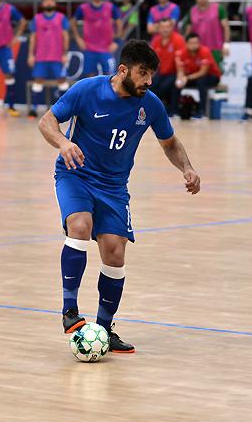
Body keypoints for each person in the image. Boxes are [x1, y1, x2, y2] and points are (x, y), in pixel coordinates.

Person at [37, 40, 201, 352]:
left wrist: (187, 168)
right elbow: (47, 121)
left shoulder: (150, 104)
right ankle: (69, 310)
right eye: (143, 73)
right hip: (76, 175)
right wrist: (63, 143)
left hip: (114, 187)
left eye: (151, 74)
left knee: (114, 252)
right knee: (80, 225)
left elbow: (169, 142)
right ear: (123, 70)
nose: (148, 81)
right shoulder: (88, 90)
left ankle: (103, 329)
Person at [27, 0, 70, 118]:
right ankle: (34, 109)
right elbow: (33, 37)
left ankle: (64, 110)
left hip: (57, 57)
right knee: (38, 80)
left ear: (55, 3)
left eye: (51, 0)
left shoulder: (61, 17)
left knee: (61, 80)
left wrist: (65, 53)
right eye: (46, 0)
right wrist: (31, 54)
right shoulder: (37, 18)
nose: (49, 2)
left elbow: (65, 36)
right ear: (43, 3)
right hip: (41, 57)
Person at [71, 0, 123, 77]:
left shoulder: (110, 7)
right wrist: (78, 38)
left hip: (107, 48)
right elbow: (73, 22)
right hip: (89, 47)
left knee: (110, 76)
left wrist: (116, 41)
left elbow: (119, 22)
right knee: (90, 77)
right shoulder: (83, 8)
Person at [175, 33, 222, 120]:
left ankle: (202, 112)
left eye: (196, 43)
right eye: (191, 43)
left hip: (211, 76)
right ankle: (174, 111)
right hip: (192, 77)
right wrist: (180, 79)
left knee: (201, 82)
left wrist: (186, 78)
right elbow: (180, 70)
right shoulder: (181, 53)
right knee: (174, 82)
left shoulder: (205, 51)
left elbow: (203, 72)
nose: (194, 45)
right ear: (186, 44)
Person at [184, 0, 230, 69]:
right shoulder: (192, 11)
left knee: (215, 73)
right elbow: (188, 30)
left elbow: (226, 27)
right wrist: (186, 45)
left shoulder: (219, 8)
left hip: (215, 48)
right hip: (197, 49)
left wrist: (226, 44)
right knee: (198, 73)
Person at [150, 18, 185, 119]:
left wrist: (180, 77)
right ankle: (153, 111)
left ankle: (173, 111)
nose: (165, 29)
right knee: (151, 85)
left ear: (172, 28)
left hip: (175, 72)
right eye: (162, 27)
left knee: (165, 86)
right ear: (159, 28)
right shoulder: (156, 41)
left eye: (168, 27)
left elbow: (180, 61)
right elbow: (152, 59)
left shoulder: (178, 40)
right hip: (160, 73)